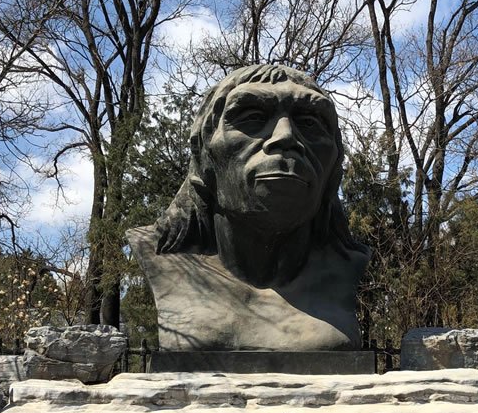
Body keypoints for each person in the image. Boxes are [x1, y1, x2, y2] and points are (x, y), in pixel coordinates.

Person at [126, 64, 369, 351]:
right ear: (204, 154)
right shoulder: (160, 253)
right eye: (253, 118)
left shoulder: (347, 263)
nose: (285, 137)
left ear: (334, 166)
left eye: (310, 123)